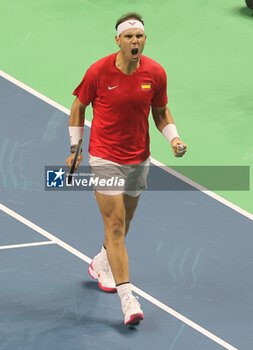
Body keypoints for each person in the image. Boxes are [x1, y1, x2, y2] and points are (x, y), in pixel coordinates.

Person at [66, 12, 187, 326]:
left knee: (125, 221)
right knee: (116, 226)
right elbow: (79, 106)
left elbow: (160, 112)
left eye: (140, 37)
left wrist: (173, 139)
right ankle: (127, 299)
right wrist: (75, 148)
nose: (135, 42)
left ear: (144, 39)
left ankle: (101, 262)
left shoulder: (156, 73)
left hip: (138, 157)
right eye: (129, 37)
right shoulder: (98, 72)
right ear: (118, 40)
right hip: (105, 157)